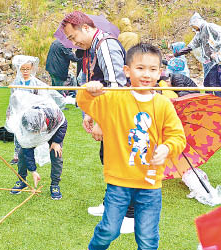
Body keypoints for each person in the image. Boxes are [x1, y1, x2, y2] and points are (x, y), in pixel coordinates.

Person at [77, 43, 186, 250]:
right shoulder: (114, 98)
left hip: (150, 184)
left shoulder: (164, 104)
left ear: (160, 72)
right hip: (118, 182)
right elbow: (85, 102)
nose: (147, 74)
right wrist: (88, 90)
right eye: (140, 68)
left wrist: (167, 148)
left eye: (153, 69)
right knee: (109, 229)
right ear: (127, 71)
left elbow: (178, 137)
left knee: (147, 239)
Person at [61, 11, 136, 226]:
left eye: (73, 37)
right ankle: (111, 204)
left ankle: (130, 215)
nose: (74, 43)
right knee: (109, 160)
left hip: (120, 116)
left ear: (85, 28)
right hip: (110, 115)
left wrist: (102, 122)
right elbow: (95, 85)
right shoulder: (92, 49)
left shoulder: (105, 45)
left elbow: (116, 88)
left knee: (122, 162)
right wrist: (90, 113)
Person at [9, 93, 67, 200]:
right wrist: (33, 171)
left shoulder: (54, 113)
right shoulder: (25, 122)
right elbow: (27, 151)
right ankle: (22, 181)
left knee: (56, 154)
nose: (37, 134)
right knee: (22, 154)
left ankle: (55, 185)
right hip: (36, 129)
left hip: (54, 131)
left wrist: (57, 141)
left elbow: (63, 124)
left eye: (37, 130)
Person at [169, 12, 221, 99]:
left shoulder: (209, 27)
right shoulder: (199, 34)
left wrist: (216, 51)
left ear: (197, 22)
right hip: (208, 62)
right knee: (208, 83)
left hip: (215, 61)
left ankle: (220, 102)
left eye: (193, 26)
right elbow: (190, 47)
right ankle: (209, 101)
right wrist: (175, 55)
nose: (193, 28)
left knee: (217, 83)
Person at [6, 55, 45, 165]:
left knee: (31, 132)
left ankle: (31, 155)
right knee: (18, 134)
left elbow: (39, 98)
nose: (25, 71)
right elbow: (12, 98)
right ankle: (17, 155)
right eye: (23, 69)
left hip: (31, 112)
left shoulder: (35, 83)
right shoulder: (16, 83)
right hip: (19, 112)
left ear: (32, 68)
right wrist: (9, 112)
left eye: (27, 69)